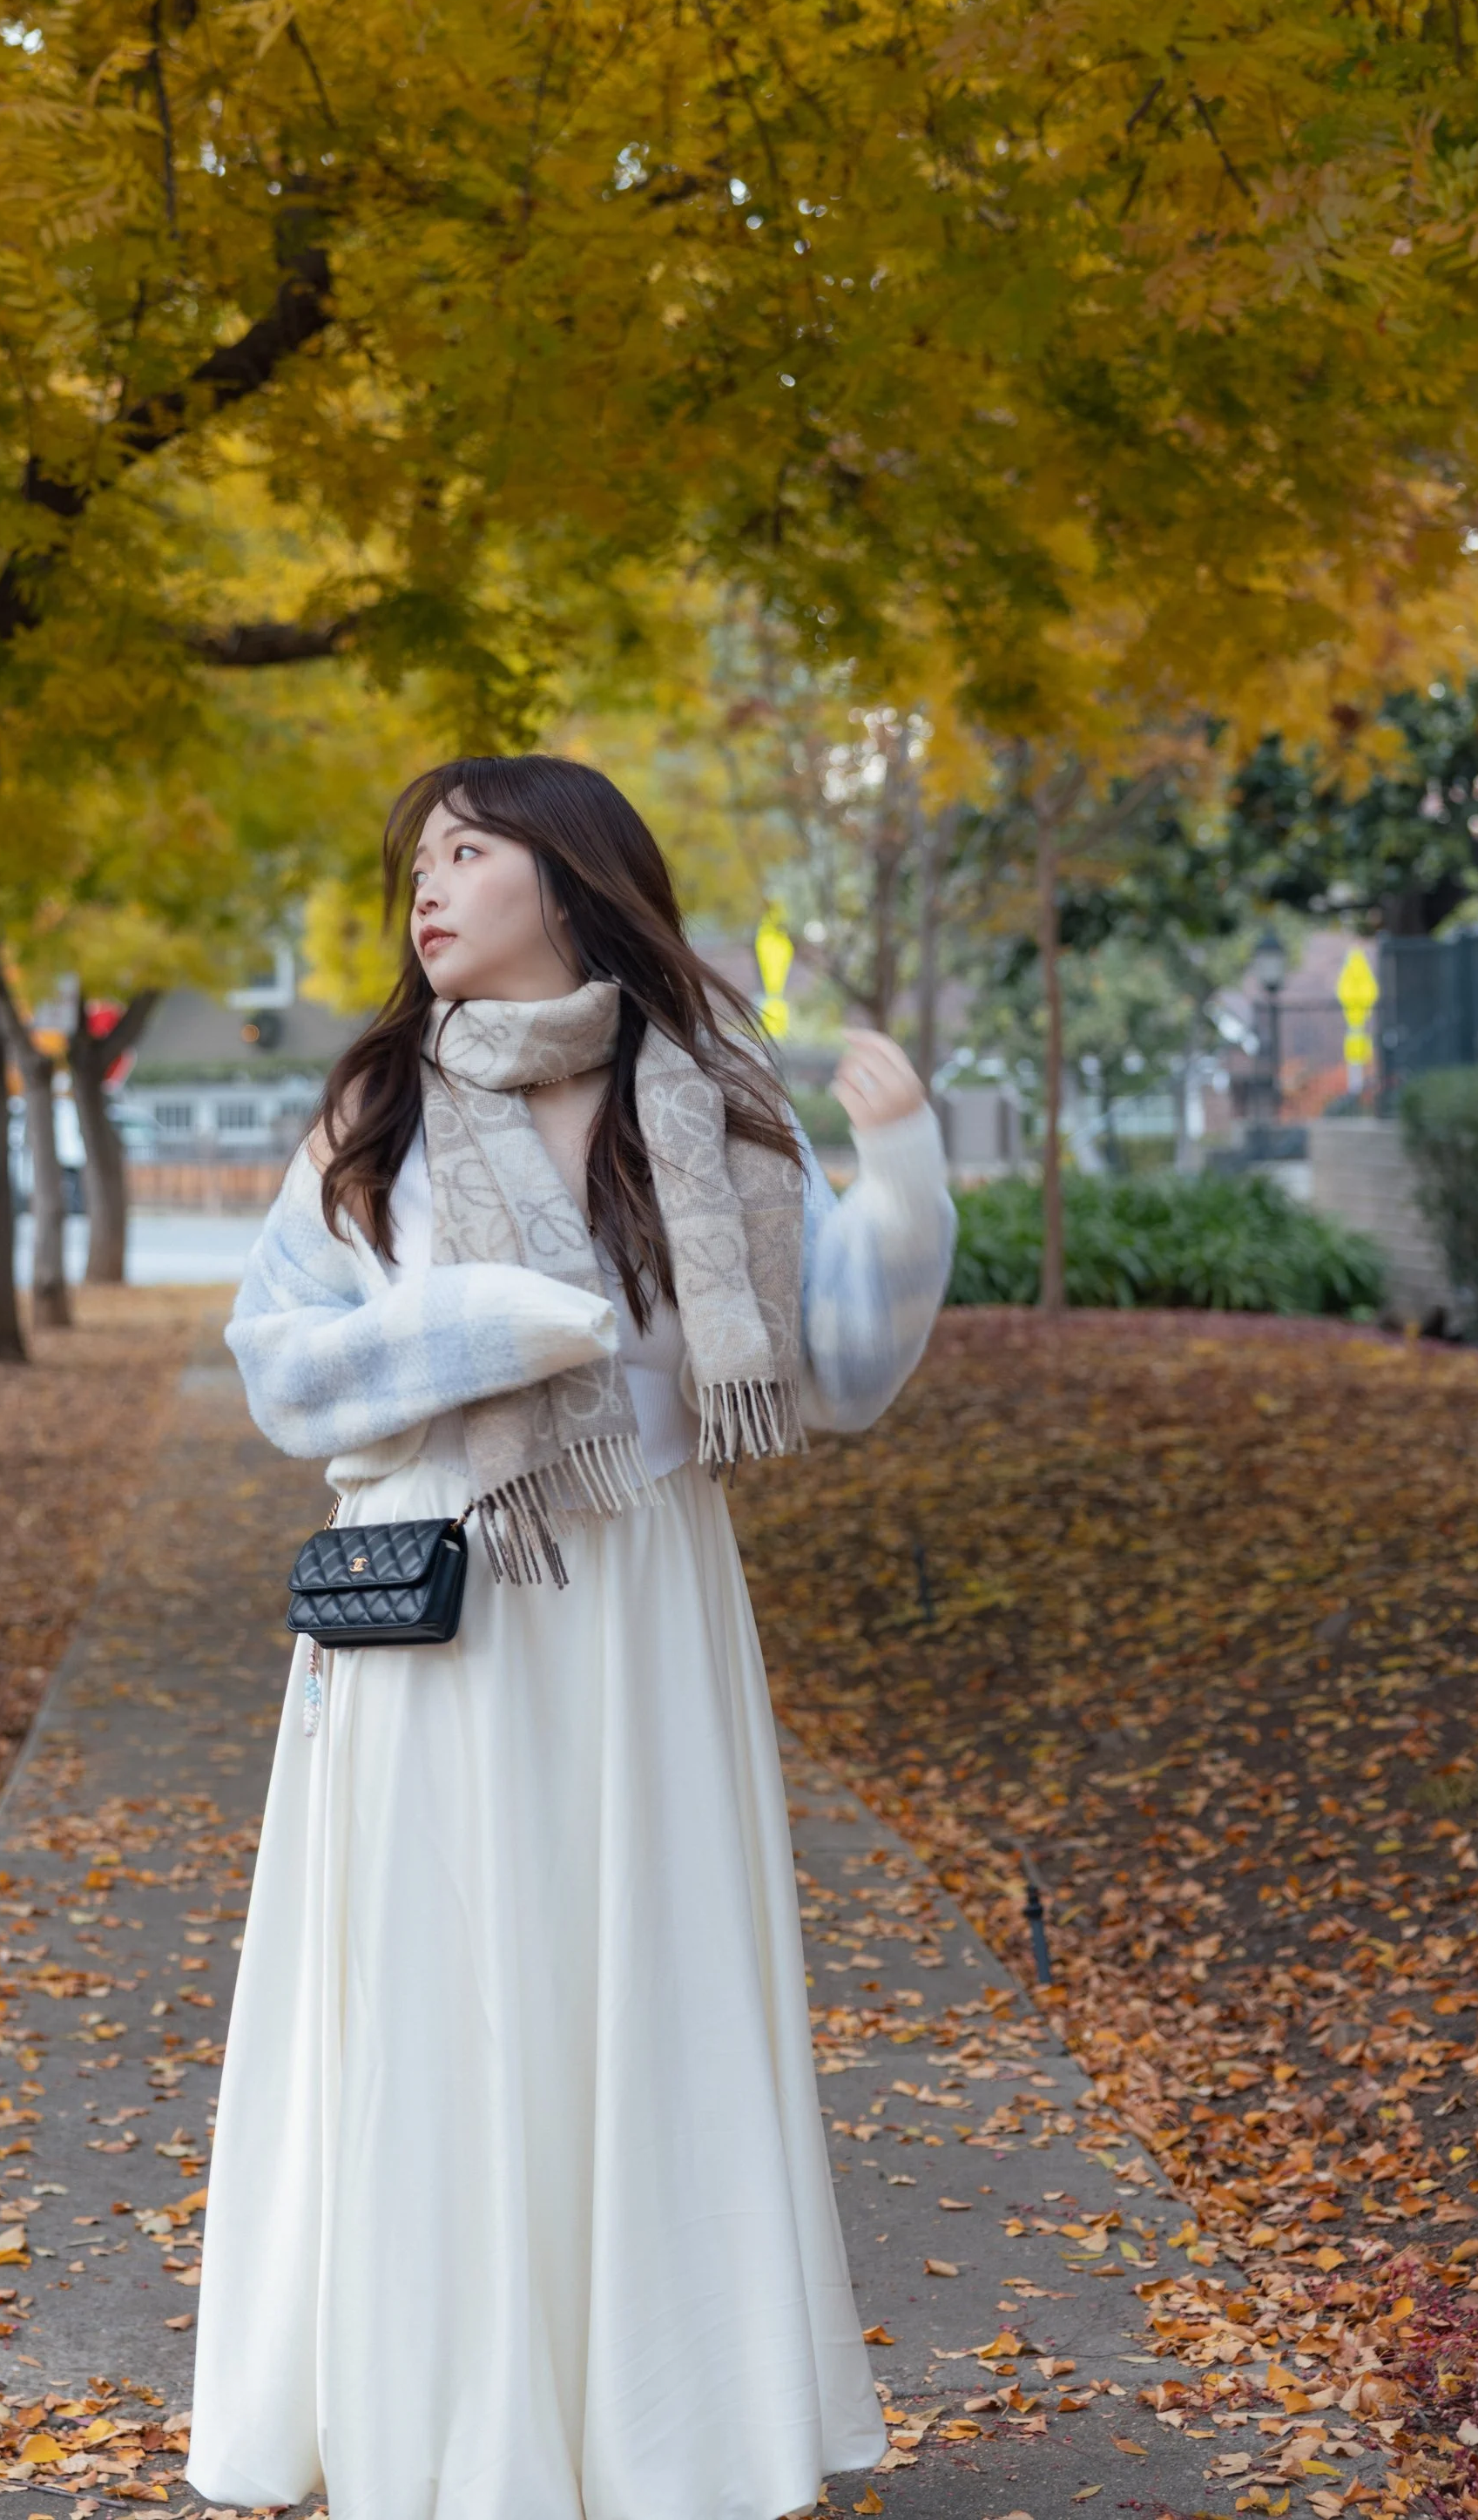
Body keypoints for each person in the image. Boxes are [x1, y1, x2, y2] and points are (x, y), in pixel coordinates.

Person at [188, 755, 955, 2520]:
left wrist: (905, 1175)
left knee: (647, 1989)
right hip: (438, 1609)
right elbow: (280, 1369)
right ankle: (445, 2430)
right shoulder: (378, 1108)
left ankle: (668, 2431)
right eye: (420, 858)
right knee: (443, 1997)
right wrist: (471, 1326)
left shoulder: (713, 1103)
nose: (427, 887)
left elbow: (837, 1366)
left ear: (572, 876)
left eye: (470, 851)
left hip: (645, 1609)